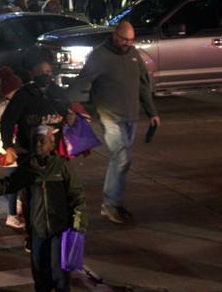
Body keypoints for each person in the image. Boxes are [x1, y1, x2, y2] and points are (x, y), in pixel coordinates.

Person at [67, 21, 159, 224]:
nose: (127, 44)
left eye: (131, 40)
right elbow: (83, 80)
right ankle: (110, 205)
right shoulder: (100, 56)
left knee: (120, 161)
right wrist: (69, 102)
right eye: (124, 40)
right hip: (110, 117)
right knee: (122, 158)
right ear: (115, 35)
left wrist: (152, 111)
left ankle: (112, 202)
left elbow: (143, 84)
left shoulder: (134, 54)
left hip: (131, 116)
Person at [0, 125, 86, 292]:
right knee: (40, 273)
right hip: (37, 230)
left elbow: (77, 195)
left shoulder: (62, 166)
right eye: (36, 142)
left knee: (61, 274)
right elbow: (9, 184)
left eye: (43, 142)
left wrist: (78, 224)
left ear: (52, 144)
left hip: (60, 230)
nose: (38, 146)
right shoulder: (28, 168)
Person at [0, 60, 72, 166]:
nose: (45, 75)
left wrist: (71, 118)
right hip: (28, 150)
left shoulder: (58, 92)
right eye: (41, 72)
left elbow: (68, 113)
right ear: (33, 74)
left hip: (55, 150)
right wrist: (8, 146)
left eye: (48, 72)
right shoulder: (23, 94)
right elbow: (8, 121)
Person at [0, 66, 26, 230]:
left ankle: (16, 208)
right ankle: (12, 214)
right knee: (13, 184)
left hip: (15, 151)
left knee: (18, 183)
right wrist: (1, 144)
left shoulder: (1, 109)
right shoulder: (1, 110)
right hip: (11, 153)